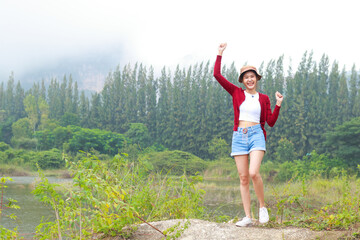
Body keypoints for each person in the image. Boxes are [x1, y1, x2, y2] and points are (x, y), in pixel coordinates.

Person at [213, 43, 283, 227]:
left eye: (252, 76)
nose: (250, 80)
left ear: (256, 78)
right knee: (243, 177)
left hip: (256, 135)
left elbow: (271, 121)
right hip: (239, 136)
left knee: (253, 173)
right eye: (246, 77)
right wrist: (219, 54)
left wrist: (278, 104)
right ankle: (247, 217)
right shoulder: (236, 92)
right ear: (242, 81)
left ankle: (262, 207)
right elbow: (217, 75)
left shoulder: (264, 98)